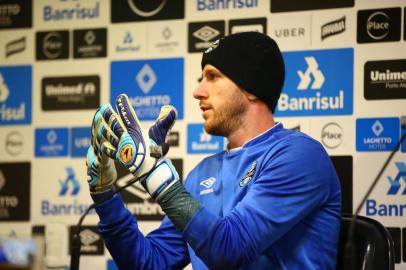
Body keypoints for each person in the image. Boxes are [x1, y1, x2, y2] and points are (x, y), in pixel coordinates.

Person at [85, 31, 342, 270]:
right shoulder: (204, 172)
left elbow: (229, 249)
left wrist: (155, 177)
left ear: (251, 87)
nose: (198, 91)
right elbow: (149, 262)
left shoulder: (299, 156)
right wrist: (104, 194)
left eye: (213, 76)